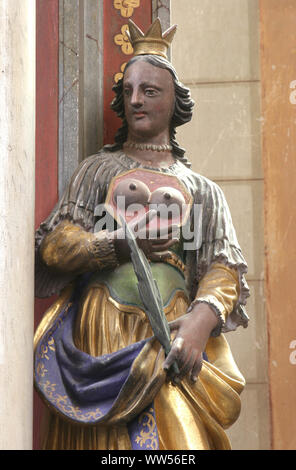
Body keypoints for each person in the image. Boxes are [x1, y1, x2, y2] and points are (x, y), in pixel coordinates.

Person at [34, 19, 250, 450]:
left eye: (149, 91)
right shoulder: (99, 169)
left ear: (174, 101)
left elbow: (224, 269)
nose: (135, 100)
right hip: (102, 328)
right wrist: (115, 244)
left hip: (171, 330)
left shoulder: (202, 189)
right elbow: (56, 246)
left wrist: (200, 322)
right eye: (128, 91)